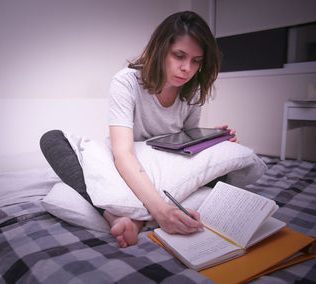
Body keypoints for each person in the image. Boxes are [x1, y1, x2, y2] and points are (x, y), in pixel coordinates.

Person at [40, 11, 237, 248]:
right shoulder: (127, 81)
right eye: (179, 56)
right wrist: (162, 212)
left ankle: (133, 218)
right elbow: (122, 154)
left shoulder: (192, 91)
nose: (187, 68)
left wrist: (206, 139)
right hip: (128, 161)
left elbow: (186, 146)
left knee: (224, 166)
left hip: (165, 167)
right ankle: (118, 214)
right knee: (52, 139)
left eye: (196, 61)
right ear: (161, 49)